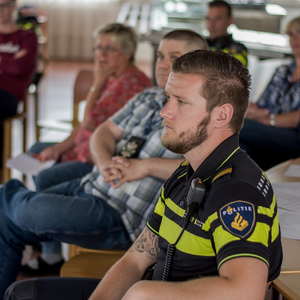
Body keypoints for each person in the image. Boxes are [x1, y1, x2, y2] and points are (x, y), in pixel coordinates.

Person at [0, 29, 209, 298]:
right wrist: (104, 162)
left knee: (18, 208)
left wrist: (146, 166)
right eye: (159, 56)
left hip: (119, 214)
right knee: (8, 220)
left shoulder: (204, 114)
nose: (163, 64)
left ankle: (11, 199)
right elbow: (102, 132)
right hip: (93, 184)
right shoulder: (148, 98)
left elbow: (207, 170)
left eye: (175, 57)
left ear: (200, 62)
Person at [29, 22, 151, 191]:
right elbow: (84, 128)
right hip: (85, 146)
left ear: (127, 53)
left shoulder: (130, 84)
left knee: (44, 178)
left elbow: (89, 122)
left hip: (100, 159)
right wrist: (58, 148)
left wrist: (97, 83)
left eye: (109, 49)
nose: (101, 54)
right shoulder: (113, 75)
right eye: (98, 48)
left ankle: (51, 201)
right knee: (36, 151)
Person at [240, 16, 300, 170]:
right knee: (240, 148)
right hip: (267, 130)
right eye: (290, 34)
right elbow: (263, 104)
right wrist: (253, 111)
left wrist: (270, 119)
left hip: (292, 135)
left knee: (235, 125)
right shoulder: (283, 70)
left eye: (299, 32)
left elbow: (296, 118)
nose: (294, 39)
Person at [0, 0, 37, 161]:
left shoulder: (27, 36)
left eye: (3, 5)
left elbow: (20, 68)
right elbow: (14, 66)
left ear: (13, 6)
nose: (0, 11)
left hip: (9, 95)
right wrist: (11, 60)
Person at [205, 0, 248, 66]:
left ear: (230, 20)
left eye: (218, 18)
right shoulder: (199, 43)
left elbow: (233, 73)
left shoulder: (238, 49)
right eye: (208, 18)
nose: (212, 23)